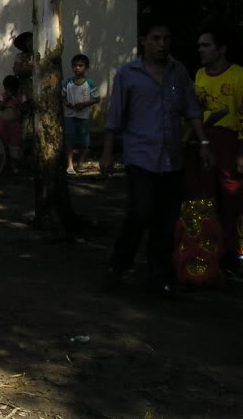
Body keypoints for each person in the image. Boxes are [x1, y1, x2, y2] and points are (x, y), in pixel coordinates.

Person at [100, 20, 213, 296]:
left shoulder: (179, 72)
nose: (162, 44)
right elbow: (115, 117)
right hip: (140, 156)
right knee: (140, 212)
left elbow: (191, 110)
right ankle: (119, 264)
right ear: (144, 41)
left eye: (166, 39)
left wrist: (204, 143)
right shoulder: (128, 74)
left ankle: (160, 276)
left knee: (166, 219)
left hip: (171, 157)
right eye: (156, 38)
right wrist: (106, 153)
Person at [194, 29, 243, 277]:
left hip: (230, 142)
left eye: (206, 45)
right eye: (199, 46)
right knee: (204, 199)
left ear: (221, 48)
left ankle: (234, 257)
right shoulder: (199, 75)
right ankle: (206, 256)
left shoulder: (238, 75)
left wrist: (241, 152)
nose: (201, 50)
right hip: (204, 141)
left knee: (231, 201)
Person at [63, 54, 100, 175]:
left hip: (83, 116)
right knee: (70, 139)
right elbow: (62, 96)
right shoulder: (68, 82)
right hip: (69, 116)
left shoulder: (90, 83)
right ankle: (70, 164)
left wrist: (84, 104)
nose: (77, 68)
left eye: (80, 65)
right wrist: (67, 103)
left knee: (85, 141)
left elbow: (96, 98)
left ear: (86, 67)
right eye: (74, 65)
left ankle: (80, 162)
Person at [0, 75, 26, 172]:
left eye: (12, 90)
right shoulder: (2, 95)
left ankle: (14, 165)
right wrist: (6, 98)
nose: (10, 92)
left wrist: (17, 102)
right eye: (7, 89)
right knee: (1, 143)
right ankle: (1, 164)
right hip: (3, 124)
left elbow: (24, 109)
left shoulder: (21, 97)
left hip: (15, 124)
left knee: (15, 145)